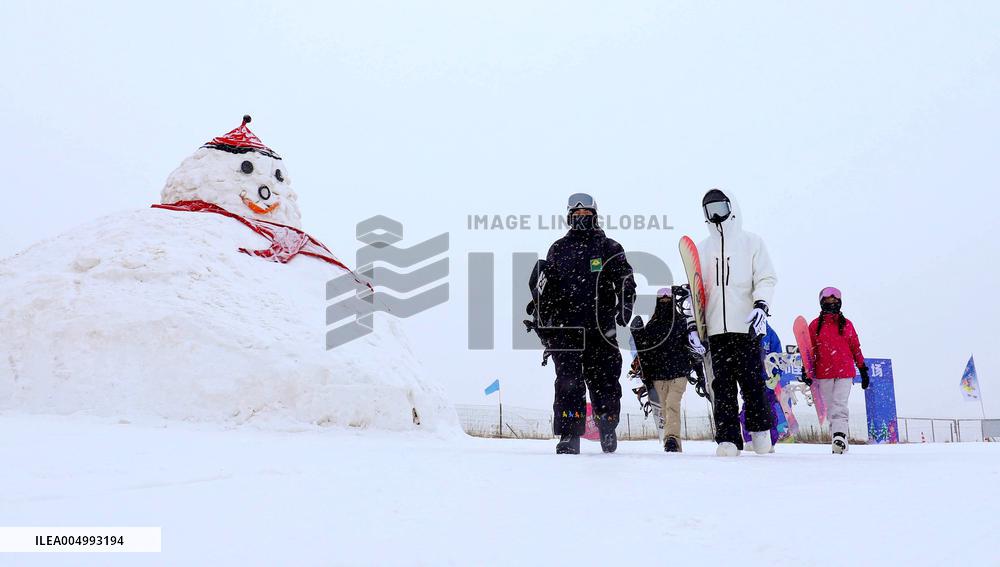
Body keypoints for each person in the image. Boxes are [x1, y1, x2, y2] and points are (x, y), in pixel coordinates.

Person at [531, 193, 636, 454]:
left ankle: (607, 426)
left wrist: (625, 304)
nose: (581, 218)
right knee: (568, 382)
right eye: (576, 215)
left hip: (601, 327)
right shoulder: (558, 249)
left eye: (586, 214)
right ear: (569, 217)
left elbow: (625, 279)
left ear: (595, 216)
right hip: (565, 329)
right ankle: (569, 435)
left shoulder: (609, 247)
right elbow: (546, 288)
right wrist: (541, 315)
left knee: (605, 381)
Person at [697, 188, 777, 456]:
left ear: (732, 208)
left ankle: (760, 432)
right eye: (710, 211)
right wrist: (694, 326)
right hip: (716, 331)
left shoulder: (751, 243)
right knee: (722, 387)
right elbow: (696, 292)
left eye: (720, 208)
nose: (716, 215)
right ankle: (728, 439)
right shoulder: (702, 249)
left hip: (745, 327)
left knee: (752, 382)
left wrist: (761, 305)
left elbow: (766, 278)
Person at [629, 286, 705, 452]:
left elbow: (692, 349)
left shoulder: (682, 323)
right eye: (661, 299)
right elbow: (645, 352)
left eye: (667, 299)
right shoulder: (652, 326)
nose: (664, 302)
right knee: (664, 410)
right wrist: (637, 333)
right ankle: (672, 446)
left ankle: (672, 439)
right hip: (658, 377)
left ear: (672, 301)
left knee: (672, 405)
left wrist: (700, 375)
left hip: (679, 375)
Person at [800, 287, 869, 454]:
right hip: (824, 373)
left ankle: (840, 436)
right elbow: (809, 351)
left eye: (835, 301)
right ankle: (838, 439)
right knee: (831, 407)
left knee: (840, 405)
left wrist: (862, 369)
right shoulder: (815, 325)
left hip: (845, 372)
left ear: (840, 303)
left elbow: (855, 348)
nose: (832, 304)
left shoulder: (847, 324)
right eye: (828, 301)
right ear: (822, 303)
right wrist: (806, 370)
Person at [739, 322, 784, 451]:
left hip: (767, 381)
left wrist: (776, 374)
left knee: (770, 409)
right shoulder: (743, 329)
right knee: (748, 407)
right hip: (750, 380)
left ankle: (771, 441)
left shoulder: (770, 333)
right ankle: (749, 439)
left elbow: (778, 355)